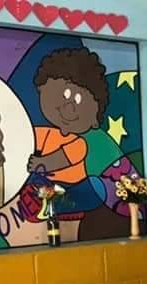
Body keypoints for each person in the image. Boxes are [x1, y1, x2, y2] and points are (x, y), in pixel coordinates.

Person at [26, 47, 108, 214]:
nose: (69, 107)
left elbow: (61, 158)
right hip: (45, 185)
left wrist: (42, 162)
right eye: (66, 94)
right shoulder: (41, 133)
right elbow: (25, 138)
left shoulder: (79, 144)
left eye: (77, 100)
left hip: (74, 187)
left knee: (92, 189)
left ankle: (58, 207)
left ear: (94, 120)